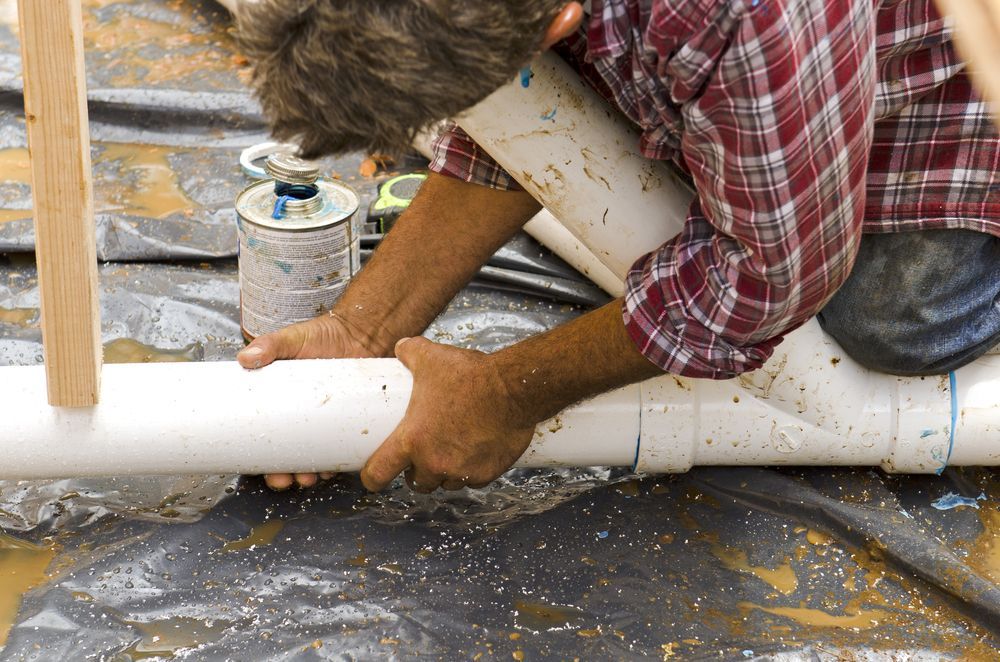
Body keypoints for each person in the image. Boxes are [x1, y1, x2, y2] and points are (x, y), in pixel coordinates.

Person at [233, 0, 1000, 492]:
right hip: (785, 70)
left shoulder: (746, 14)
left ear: (561, 21)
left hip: (954, 77)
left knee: (898, 321)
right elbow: (519, 118)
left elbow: (773, 277)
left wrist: (509, 394)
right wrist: (361, 328)